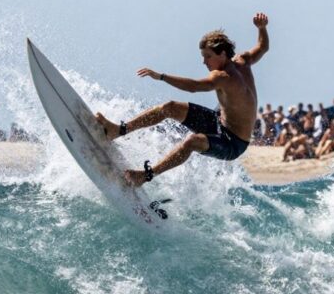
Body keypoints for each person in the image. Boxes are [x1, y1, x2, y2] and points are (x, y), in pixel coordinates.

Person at [95, 13, 269, 186]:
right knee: (170, 107)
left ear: (222, 54)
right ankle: (119, 130)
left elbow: (194, 86)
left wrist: (162, 76)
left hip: (234, 143)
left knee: (192, 141)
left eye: (208, 56)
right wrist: (262, 28)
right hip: (219, 121)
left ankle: (145, 176)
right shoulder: (243, 61)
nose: (204, 62)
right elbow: (262, 46)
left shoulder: (222, 76)